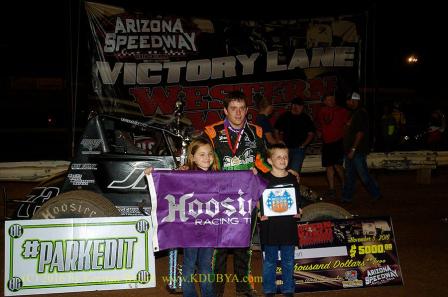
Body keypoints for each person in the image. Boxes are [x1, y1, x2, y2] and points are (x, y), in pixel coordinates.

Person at [204, 90, 270, 297]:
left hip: (246, 200)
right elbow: (197, 156)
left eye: (242, 108)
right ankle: (216, 290)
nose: (238, 113)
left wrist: (280, 172)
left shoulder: (256, 132)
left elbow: (263, 161)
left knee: (244, 246)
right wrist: (183, 171)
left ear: (247, 110)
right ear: (225, 110)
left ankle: (244, 287)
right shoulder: (212, 132)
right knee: (220, 248)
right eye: (233, 109)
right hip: (220, 199)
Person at [145, 137, 217, 297]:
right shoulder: (184, 173)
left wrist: (250, 174)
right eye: (202, 154)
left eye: (210, 154)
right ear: (192, 157)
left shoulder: (217, 176)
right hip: (190, 230)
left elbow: (234, 184)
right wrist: (152, 173)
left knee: (206, 266)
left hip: (209, 231)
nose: (207, 158)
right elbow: (167, 179)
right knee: (189, 264)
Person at [258, 143, 302, 297]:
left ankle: (288, 288)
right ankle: (269, 289)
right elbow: (257, 200)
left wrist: (299, 210)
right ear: (270, 160)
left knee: (288, 261)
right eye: (278, 157)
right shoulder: (263, 179)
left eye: (285, 157)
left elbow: (297, 200)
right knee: (269, 261)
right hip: (270, 228)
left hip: (288, 228)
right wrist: (259, 212)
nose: (283, 160)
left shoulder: (293, 178)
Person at [342, 92, 381, 203]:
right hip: (352, 150)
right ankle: (347, 197)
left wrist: (353, 149)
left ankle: (376, 194)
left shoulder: (360, 114)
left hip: (357, 151)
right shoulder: (354, 113)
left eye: (349, 100)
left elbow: (360, 133)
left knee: (363, 175)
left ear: (354, 100)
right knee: (350, 176)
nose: (347, 102)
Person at [316, 94, 349, 198]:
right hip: (327, 143)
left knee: (337, 166)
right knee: (329, 166)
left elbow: (348, 125)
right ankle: (332, 189)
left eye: (333, 99)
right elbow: (319, 125)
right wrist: (319, 131)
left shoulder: (342, 111)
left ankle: (345, 185)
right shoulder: (321, 111)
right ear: (324, 101)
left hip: (338, 142)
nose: (331, 101)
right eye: (329, 99)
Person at [275, 97, 315, 173]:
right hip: (285, 148)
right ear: (291, 106)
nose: (295, 107)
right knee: (284, 170)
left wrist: (304, 144)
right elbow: (276, 129)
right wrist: (279, 141)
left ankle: (295, 184)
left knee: (295, 171)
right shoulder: (285, 116)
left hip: (299, 149)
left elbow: (311, 133)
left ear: (302, 107)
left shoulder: (306, 118)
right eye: (294, 105)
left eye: (298, 106)